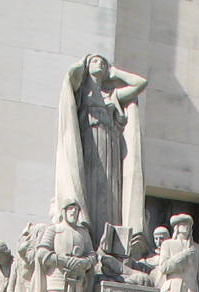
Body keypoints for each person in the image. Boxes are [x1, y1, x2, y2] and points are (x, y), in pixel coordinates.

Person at [56, 56, 148, 257]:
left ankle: (111, 247)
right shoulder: (81, 92)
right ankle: (90, 242)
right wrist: (83, 62)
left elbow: (141, 83)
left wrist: (116, 73)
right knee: (90, 191)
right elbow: (70, 77)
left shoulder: (112, 94)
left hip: (111, 149)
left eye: (104, 62)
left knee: (110, 195)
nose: (101, 64)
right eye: (96, 61)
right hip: (89, 147)